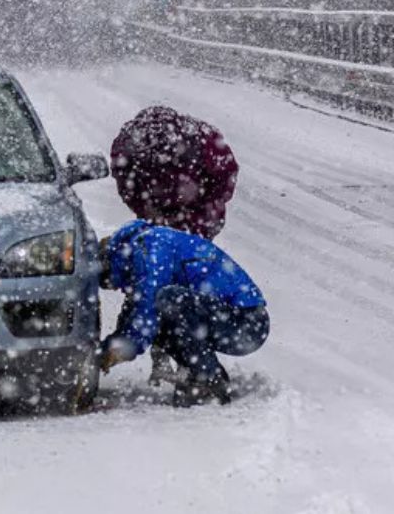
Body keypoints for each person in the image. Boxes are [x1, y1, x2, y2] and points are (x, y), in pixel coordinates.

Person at [99, 106, 268, 406]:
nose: (115, 286)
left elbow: (149, 300)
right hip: (227, 314)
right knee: (162, 299)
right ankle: (192, 368)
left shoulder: (151, 247)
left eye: (110, 282)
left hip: (246, 324)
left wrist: (199, 209)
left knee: (167, 299)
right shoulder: (143, 242)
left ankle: (205, 376)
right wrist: (110, 346)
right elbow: (138, 305)